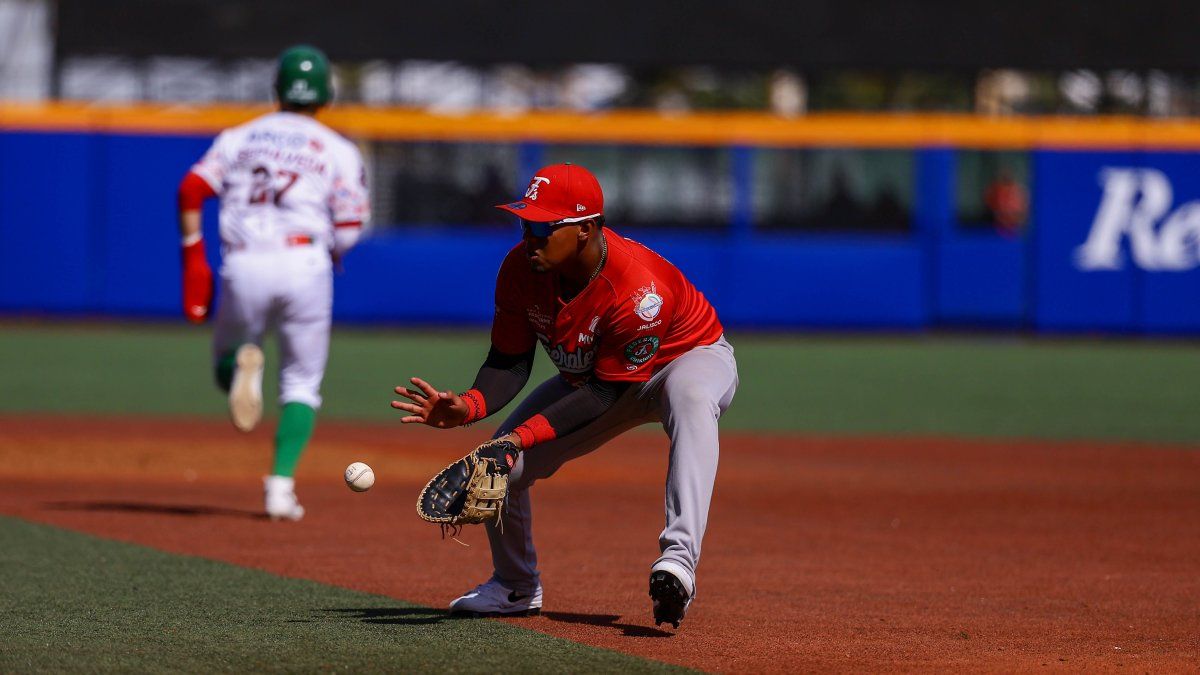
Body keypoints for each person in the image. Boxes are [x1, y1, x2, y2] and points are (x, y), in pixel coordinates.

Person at [391, 163, 738, 628]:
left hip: (685, 358)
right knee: (498, 465)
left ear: (585, 229)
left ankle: (677, 563)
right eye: (525, 224)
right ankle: (514, 585)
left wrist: (517, 438)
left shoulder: (639, 290)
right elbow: (509, 361)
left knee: (691, 397)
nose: (529, 238)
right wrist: (469, 405)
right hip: (601, 377)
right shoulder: (521, 269)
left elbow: (603, 395)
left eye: (542, 227)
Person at [177, 45, 369, 521]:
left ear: (277, 89)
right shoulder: (338, 149)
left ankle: (240, 364)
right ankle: (280, 489)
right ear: (326, 94)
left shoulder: (239, 137)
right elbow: (350, 226)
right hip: (305, 261)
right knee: (302, 383)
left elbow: (191, 189)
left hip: (244, 261)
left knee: (225, 358)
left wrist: (194, 258)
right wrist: (333, 253)